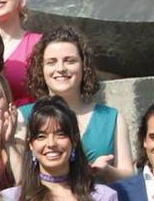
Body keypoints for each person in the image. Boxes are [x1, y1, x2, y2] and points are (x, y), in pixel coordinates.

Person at [22, 29, 133, 178]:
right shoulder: (23, 117)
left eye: (70, 61)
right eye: (51, 62)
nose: (60, 68)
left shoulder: (111, 118)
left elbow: (129, 176)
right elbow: (19, 178)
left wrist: (106, 171)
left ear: (84, 66)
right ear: (41, 69)